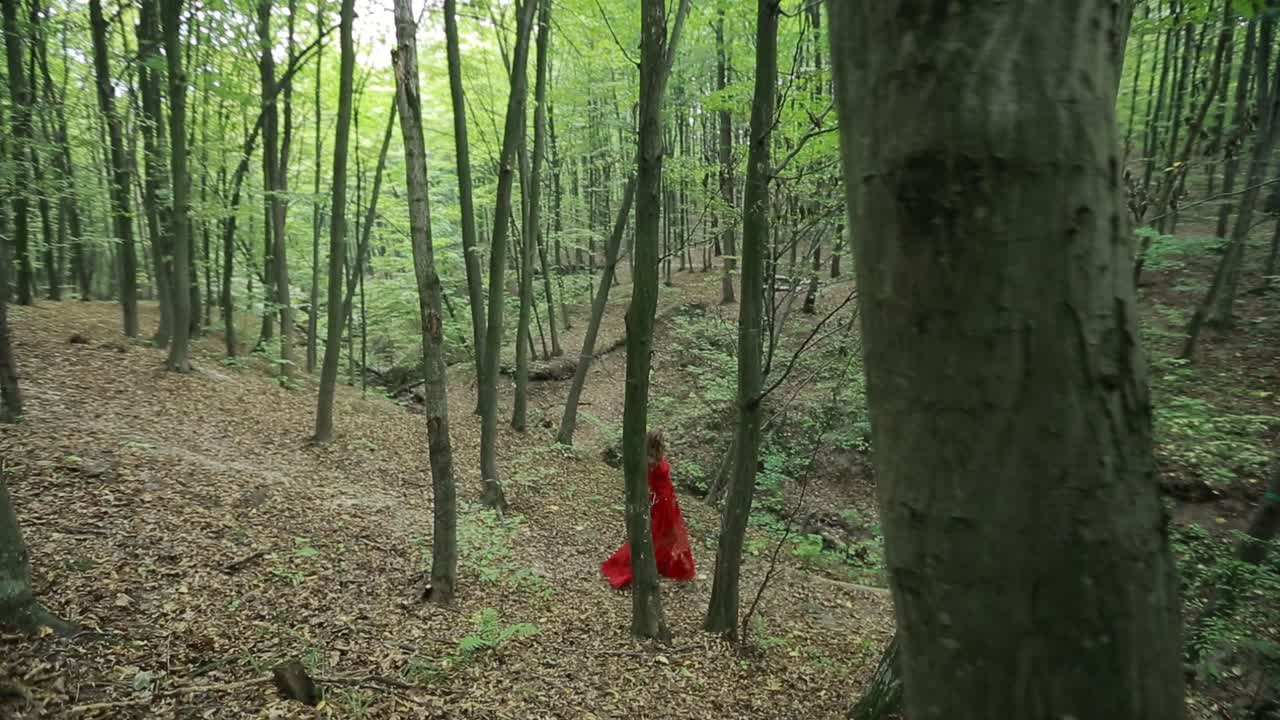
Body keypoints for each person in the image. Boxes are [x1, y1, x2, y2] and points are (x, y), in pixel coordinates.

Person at [601, 430, 696, 589]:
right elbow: (648, 481)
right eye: (660, 440)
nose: (663, 443)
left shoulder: (655, 456)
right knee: (658, 535)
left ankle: (663, 564)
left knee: (670, 535)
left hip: (669, 501)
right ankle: (634, 565)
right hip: (661, 502)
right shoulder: (649, 460)